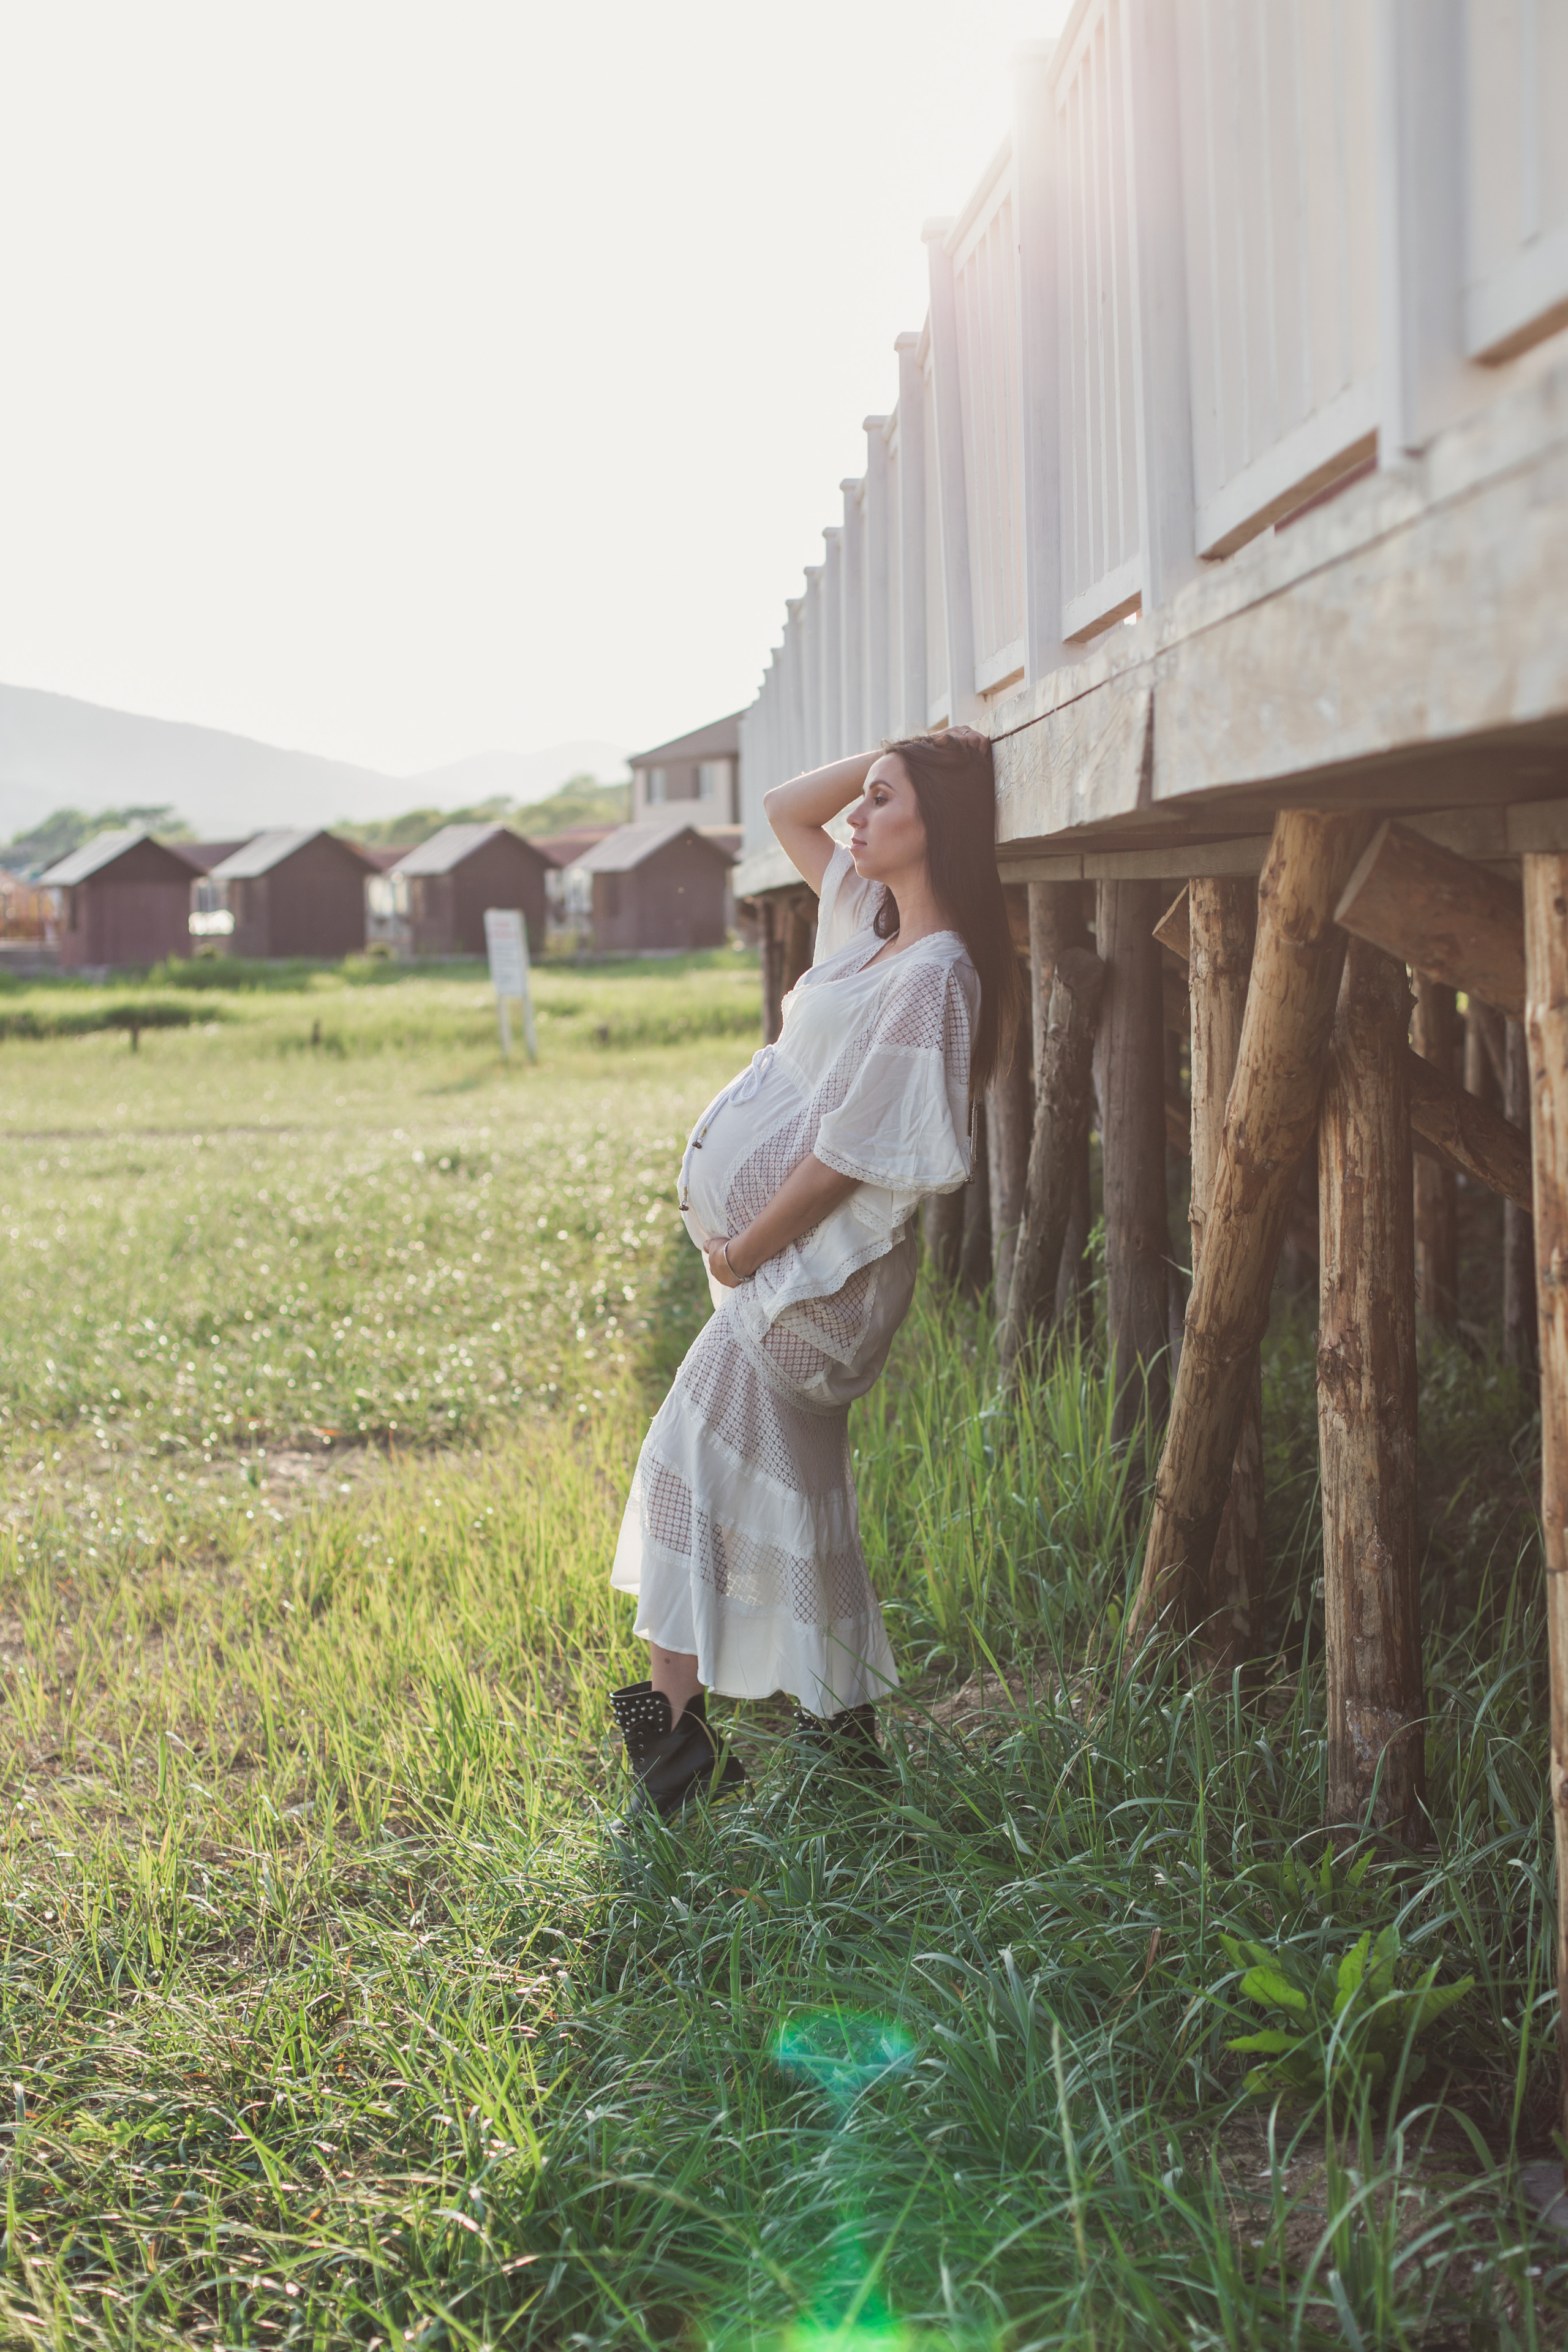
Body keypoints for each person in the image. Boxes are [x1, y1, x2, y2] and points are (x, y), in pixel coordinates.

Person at [608, 727, 1023, 1816]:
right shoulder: (867, 931)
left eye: (884, 802)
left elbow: (851, 1151)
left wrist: (745, 1248)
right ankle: (837, 1745)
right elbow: (792, 807)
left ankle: (673, 1744)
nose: (858, 817)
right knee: (794, 1497)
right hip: (780, 1277)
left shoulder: (936, 972)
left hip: (811, 1286)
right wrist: (894, 750)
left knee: (686, 1465)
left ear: (941, 827)